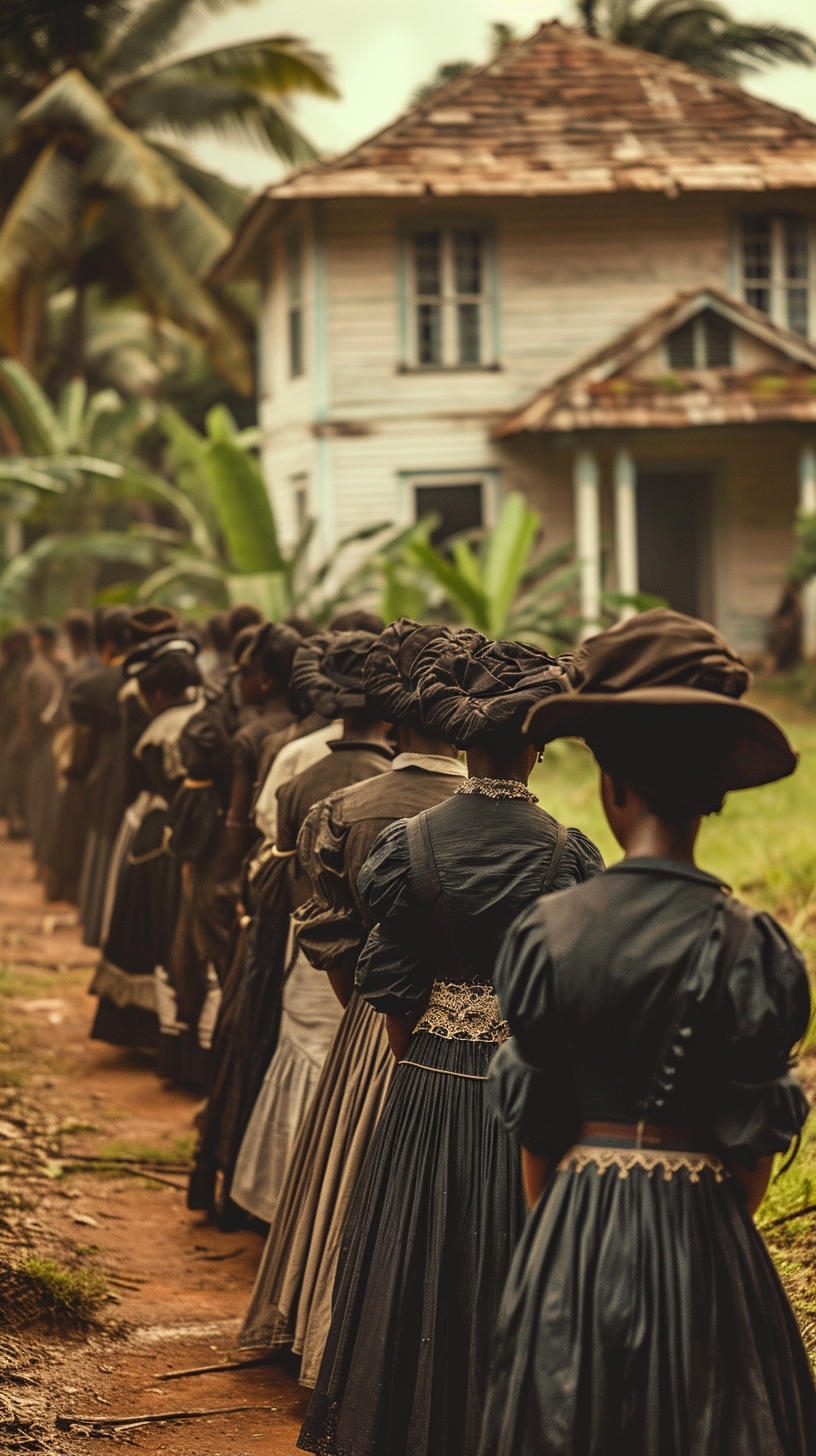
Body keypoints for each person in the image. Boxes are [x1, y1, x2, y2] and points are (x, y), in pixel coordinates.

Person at [479, 609, 816, 1456]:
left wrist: (558, 1239)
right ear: (716, 791)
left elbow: (538, 1126)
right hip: (708, 1235)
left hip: (575, 1217)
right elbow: (751, 1155)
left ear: (611, 785)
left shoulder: (545, 933)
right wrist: (701, 1232)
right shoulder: (755, 945)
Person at [298, 633, 604, 1456]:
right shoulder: (568, 854)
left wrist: (424, 1060)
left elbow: (389, 986)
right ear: (539, 747)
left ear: (459, 741)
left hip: (428, 1075)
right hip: (524, 1087)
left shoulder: (410, 847)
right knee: (514, 1257)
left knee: (415, 1258)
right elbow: (572, 1001)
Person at [238, 620, 471, 1384]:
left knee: (344, 1174)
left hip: (369, 1016)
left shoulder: (340, 809)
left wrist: (362, 1007)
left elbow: (328, 937)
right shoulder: (492, 813)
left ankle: (325, 1330)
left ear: (394, 715)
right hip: (467, 1041)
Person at [230, 628, 394, 1226]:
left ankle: (293, 1209)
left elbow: (272, 878)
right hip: (390, 972)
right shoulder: (407, 791)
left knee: (306, 1068)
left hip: (311, 958)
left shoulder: (299, 781)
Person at [89, 632, 203, 1050]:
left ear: (157, 692)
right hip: (191, 841)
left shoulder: (158, 732)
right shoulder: (204, 715)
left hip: (159, 839)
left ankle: (144, 1031)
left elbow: (151, 787)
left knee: (149, 931)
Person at [74, 608, 132, 947]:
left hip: (106, 773)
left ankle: (98, 925)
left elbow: (77, 700)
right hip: (137, 780)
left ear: (107, 642)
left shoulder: (96, 683)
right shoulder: (153, 681)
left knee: (103, 847)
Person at [41, 611, 98, 903]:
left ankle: (63, 886)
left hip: (74, 751)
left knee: (66, 820)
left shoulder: (75, 672)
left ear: (73, 639)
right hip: (99, 760)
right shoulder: (101, 666)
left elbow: (55, 715)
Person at [21, 621, 64, 874]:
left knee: (39, 804)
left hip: (41, 745)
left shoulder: (35, 671)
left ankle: (41, 860)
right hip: (57, 743)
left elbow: (30, 714)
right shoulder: (63, 665)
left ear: (40, 639)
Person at [0, 627, 32, 838]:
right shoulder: (11, 667)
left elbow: (16, 703)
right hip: (9, 733)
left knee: (13, 779)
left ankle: (19, 823)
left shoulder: (26, 669)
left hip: (19, 734)